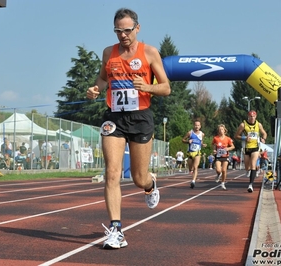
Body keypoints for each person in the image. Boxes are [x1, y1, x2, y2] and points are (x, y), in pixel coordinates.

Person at [86, 8, 171, 249]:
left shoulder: (150, 52)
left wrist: (147, 87)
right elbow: (102, 79)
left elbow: (166, 88)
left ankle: (150, 184)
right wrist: (95, 89)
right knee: (112, 173)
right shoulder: (108, 53)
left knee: (137, 177)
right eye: (118, 31)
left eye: (127, 30)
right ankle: (116, 230)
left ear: (137, 28)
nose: (123, 35)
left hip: (141, 117)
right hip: (114, 117)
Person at [234, 110, 267, 193]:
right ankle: (251, 171)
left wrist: (263, 138)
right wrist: (244, 138)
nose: (252, 118)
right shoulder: (243, 125)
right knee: (247, 167)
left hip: (255, 147)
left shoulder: (258, 124)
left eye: (253, 116)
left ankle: (250, 185)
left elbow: (264, 133)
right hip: (246, 148)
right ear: (248, 117)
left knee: (253, 165)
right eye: (250, 116)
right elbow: (236, 136)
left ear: (255, 117)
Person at [182, 120, 207, 188]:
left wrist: (203, 144)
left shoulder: (202, 134)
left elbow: (200, 142)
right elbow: (183, 140)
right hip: (190, 153)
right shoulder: (190, 133)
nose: (197, 127)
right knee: (190, 169)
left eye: (198, 125)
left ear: (200, 126)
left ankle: (193, 181)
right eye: (196, 125)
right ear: (194, 125)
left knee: (196, 167)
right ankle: (191, 171)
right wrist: (188, 141)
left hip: (197, 153)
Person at [212, 124, 235, 190]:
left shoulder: (228, 139)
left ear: (224, 130)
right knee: (218, 170)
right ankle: (219, 174)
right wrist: (214, 150)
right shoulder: (215, 138)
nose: (221, 131)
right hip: (218, 156)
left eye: (222, 129)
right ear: (218, 131)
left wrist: (228, 149)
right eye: (219, 130)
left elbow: (233, 146)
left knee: (224, 170)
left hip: (225, 156)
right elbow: (214, 145)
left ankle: (223, 183)